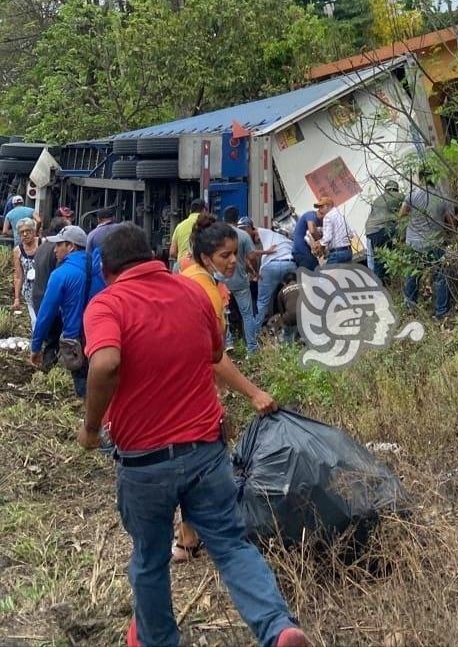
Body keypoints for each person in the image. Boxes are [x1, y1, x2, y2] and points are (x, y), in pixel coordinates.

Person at [78, 222, 307, 647]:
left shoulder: (107, 304)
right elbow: (214, 354)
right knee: (232, 546)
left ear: (106, 269)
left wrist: (91, 428)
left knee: (149, 560)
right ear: (151, 256)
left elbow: (106, 363)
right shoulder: (192, 293)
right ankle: (278, 629)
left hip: (145, 462)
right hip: (206, 452)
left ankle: (158, 640)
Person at [29, 225, 105, 397]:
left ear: (70, 246)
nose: (55, 250)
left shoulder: (61, 274)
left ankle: (90, 419)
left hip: (75, 340)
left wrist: (36, 346)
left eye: (59, 245)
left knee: (83, 388)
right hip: (101, 336)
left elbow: (45, 314)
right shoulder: (100, 269)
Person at [400, 167, 452, 318]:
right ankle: (440, 312)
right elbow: (451, 224)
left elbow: (402, 215)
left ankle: (410, 308)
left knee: (412, 275)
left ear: (421, 178)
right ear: (434, 178)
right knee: (440, 277)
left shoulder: (412, 195)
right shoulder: (442, 198)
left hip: (414, 244)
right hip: (434, 244)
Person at [240, 218, 296, 354]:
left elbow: (252, 256)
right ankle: (292, 339)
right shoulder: (280, 238)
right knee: (294, 297)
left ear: (251, 228)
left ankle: (252, 342)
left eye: (244, 229)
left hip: (270, 267)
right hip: (290, 264)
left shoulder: (260, 232)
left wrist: (254, 274)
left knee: (262, 303)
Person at [31, 217, 70, 369]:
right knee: (54, 338)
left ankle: (47, 366)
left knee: (49, 337)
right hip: (50, 298)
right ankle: (48, 369)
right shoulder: (57, 249)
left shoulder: (42, 246)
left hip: (38, 295)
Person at [223, 208, 256, 346]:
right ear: (237, 219)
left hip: (222, 283)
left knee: (223, 315)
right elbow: (252, 256)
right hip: (240, 281)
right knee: (247, 315)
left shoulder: (219, 236)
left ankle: (228, 343)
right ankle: (251, 347)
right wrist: (249, 268)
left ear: (224, 219)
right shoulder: (243, 235)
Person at [366, 179, 403, 282]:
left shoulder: (377, 199)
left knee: (377, 260)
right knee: (391, 255)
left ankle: (379, 285)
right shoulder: (399, 196)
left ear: (385, 189)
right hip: (385, 229)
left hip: (370, 231)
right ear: (396, 189)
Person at [12, 218, 40, 329]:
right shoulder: (17, 250)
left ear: (34, 231)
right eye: (21, 232)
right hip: (29, 292)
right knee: (35, 321)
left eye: (28, 230)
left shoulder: (43, 243)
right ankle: (37, 343)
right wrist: (17, 298)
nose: (25, 234)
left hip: (44, 288)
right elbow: (18, 276)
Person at [313, 197, 354, 265]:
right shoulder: (340, 214)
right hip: (348, 251)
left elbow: (327, 238)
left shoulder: (327, 217)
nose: (319, 210)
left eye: (321, 207)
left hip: (337, 253)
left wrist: (319, 244)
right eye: (319, 207)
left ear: (328, 206)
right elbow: (350, 234)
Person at [169, 198, 206, 271]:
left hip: (180, 267)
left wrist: (182, 258)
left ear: (190, 211)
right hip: (198, 267)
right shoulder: (206, 224)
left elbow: (172, 252)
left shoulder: (179, 226)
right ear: (204, 210)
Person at [292, 206, 323, 270]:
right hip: (301, 252)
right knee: (315, 269)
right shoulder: (311, 215)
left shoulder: (313, 219)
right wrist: (321, 242)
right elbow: (312, 231)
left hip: (301, 252)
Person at [277, 272, 299, 345]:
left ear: (284, 283)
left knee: (287, 334)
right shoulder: (305, 286)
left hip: (291, 318)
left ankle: (288, 347)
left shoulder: (281, 292)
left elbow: (282, 313)